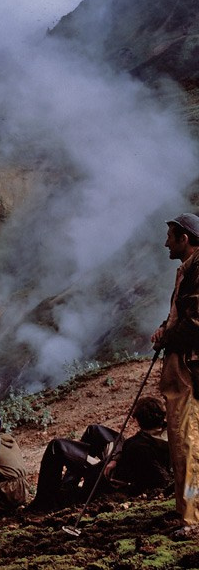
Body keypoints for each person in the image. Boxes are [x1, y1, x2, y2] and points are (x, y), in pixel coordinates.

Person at [27, 396, 171, 513]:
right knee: (94, 430)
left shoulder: (138, 446)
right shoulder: (168, 432)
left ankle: (44, 503)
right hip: (119, 464)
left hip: (108, 479)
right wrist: (115, 458)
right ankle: (68, 485)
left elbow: (160, 479)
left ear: (138, 420)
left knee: (56, 446)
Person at [151, 213, 199, 538]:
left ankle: (192, 518)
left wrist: (168, 338)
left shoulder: (198, 269)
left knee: (186, 441)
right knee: (181, 440)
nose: (166, 242)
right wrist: (163, 327)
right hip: (182, 362)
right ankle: (185, 510)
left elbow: (196, 323)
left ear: (184, 237)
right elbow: (183, 314)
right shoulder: (188, 270)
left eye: (170, 236)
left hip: (187, 365)